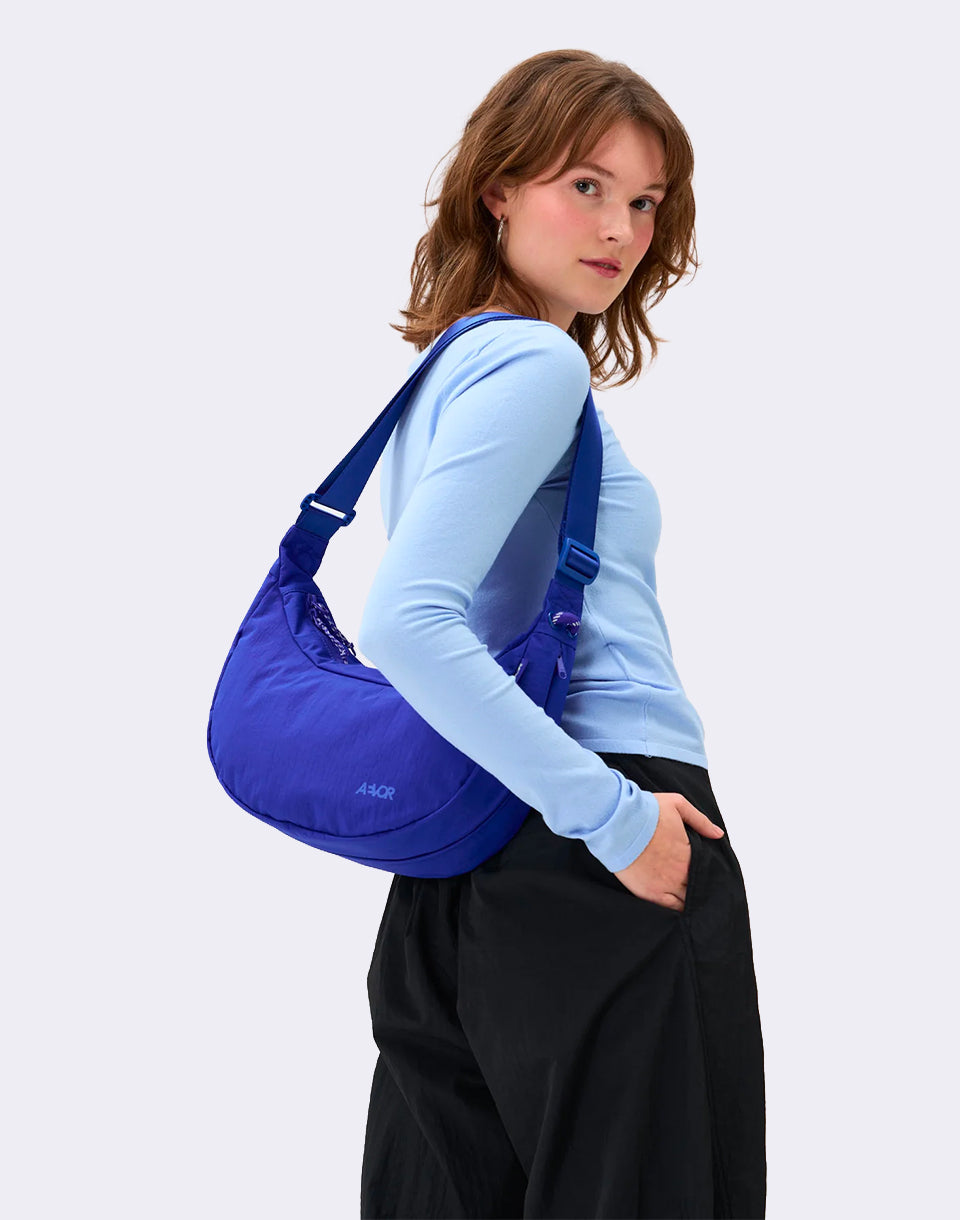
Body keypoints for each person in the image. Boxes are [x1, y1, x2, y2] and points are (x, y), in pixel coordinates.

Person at [356, 49, 766, 1220]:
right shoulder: (533, 362)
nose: (621, 229)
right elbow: (408, 622)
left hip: (460, 852)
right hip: (598, 828)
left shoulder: (446, 369)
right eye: (586, 186)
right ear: (497, 187)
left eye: (645, 201)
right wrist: (619, 819)